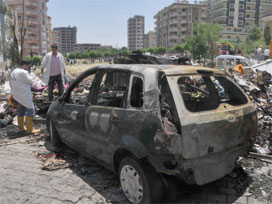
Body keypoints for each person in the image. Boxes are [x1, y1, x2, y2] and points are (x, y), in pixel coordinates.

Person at [10, 60, 40, 133]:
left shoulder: (14, 72)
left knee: (21, 111)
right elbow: (30, 81)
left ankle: (21, 128)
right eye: (28, 66)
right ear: (24, 65)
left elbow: (11, 83)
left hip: (16, 95)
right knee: (31, 110)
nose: (28, 67)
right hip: (24, 94)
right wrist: (32, 73)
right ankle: (30, 129)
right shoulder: (24, 72)